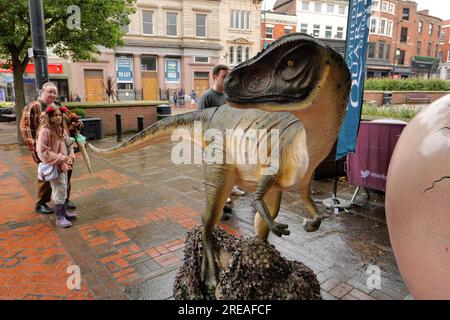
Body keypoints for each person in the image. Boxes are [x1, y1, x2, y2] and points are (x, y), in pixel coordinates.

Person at [197, 65, 246, 220]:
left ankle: (227, 199)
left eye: (228, 76)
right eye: (224, 76)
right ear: (215, 76)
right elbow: (200, 121)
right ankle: (215, 211)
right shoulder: (207, 97)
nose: (226, 79)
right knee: (216, 178)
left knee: (227, 174)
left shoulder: (226, 96)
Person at [36, 103, 77, 228]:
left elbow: (68, 142)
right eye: (55, 115)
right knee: (58, 190)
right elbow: (43, 151)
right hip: (55, 166)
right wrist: (61, 158)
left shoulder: (60, 128)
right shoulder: (45, 131)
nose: (58, 118)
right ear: (49, 116)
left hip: (63, 165)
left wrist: (71, 155)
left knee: (63, 188)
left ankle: (63, 212)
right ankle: (59, 217)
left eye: (60, 115)